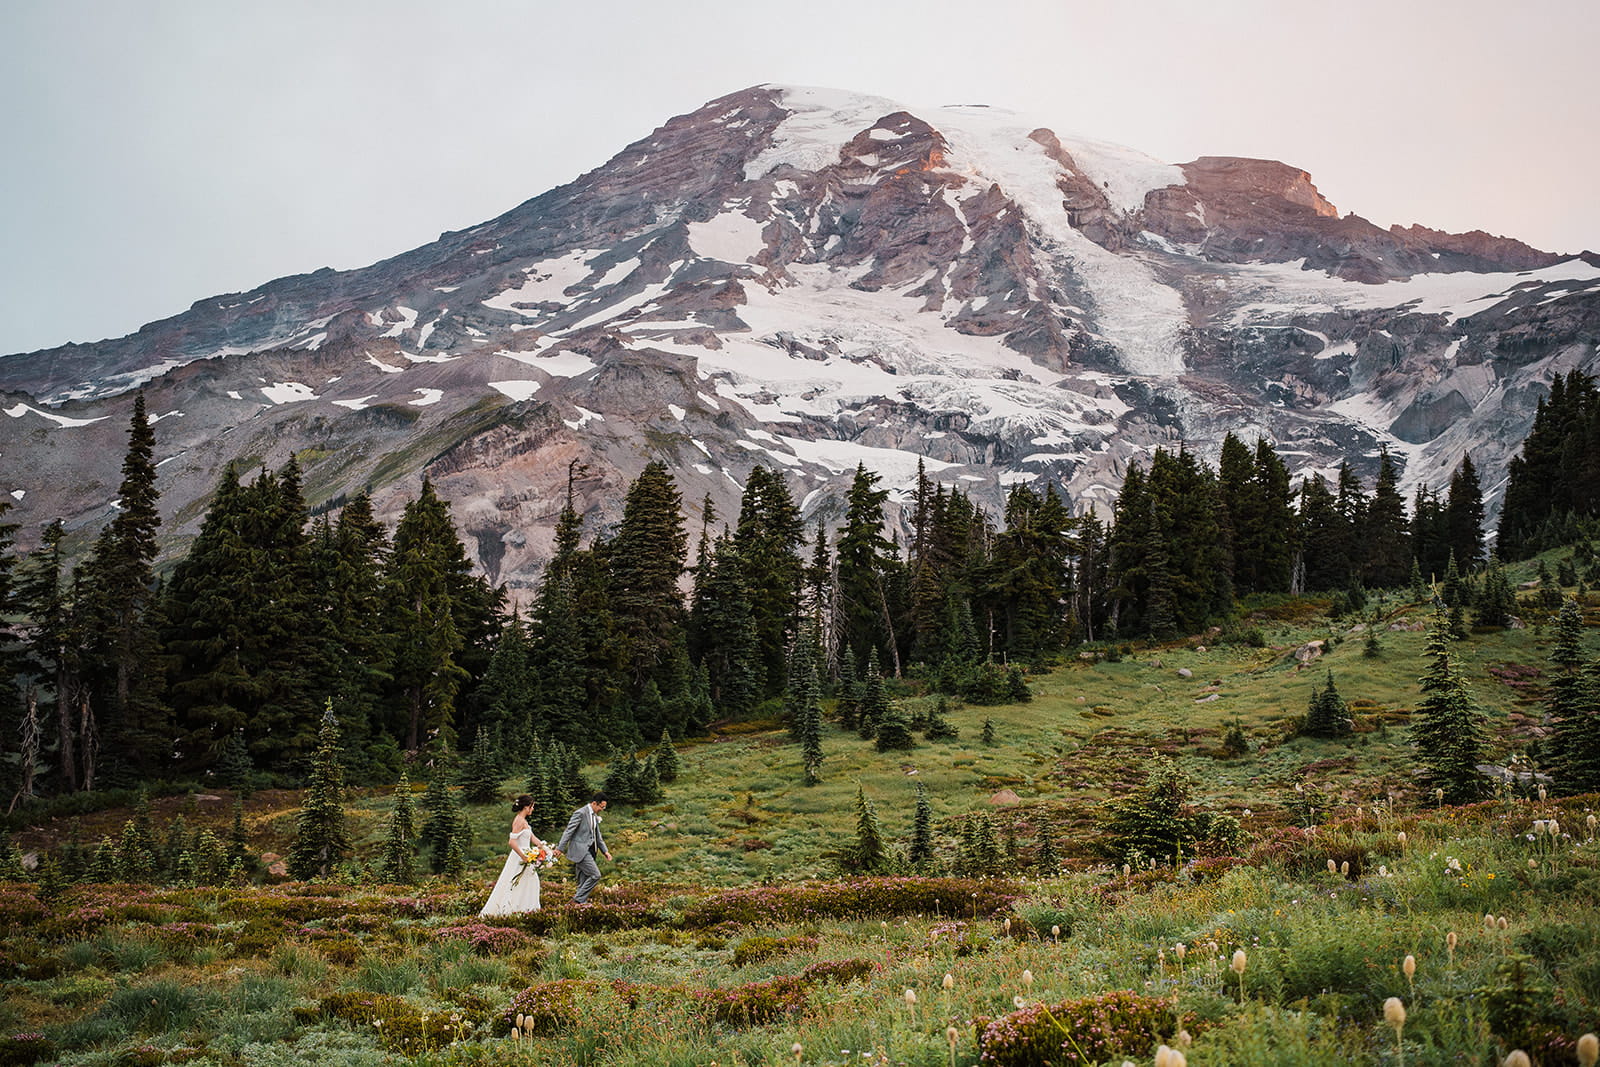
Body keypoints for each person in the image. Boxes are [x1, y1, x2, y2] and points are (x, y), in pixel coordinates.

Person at [479, 795, 548, 916]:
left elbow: (533, 839)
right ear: (527, 807)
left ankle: (527, 910)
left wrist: (547, 849)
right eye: (532, 807)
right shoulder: (518, 821)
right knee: (516, 883)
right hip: (520, 858)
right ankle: (511, 911)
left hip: (528, 856)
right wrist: (524, 857)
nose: (533, 809)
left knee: (530, 883)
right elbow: (512, 842)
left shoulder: (525, 821)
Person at [554, 791, 612, 904]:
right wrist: (560, 848)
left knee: (583, 882)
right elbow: (568, 832)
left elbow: (597, 836)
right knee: (596, 875)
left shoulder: (594, 816)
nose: (602, 810)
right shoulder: (580, 813)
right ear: (595, 803)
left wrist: (605, 851)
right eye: (602, 807)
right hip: (580, 851)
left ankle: (579, 907)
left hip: (591, 851)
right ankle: (576, 901)